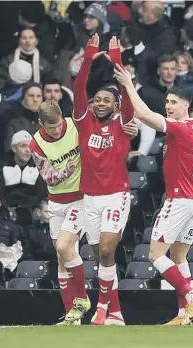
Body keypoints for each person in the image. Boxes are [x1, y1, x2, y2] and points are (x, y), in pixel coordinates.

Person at [114, 65, 193, 326]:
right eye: (167, 101)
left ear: (186, 105)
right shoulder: (192, 130)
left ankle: (190, 297)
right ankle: (183, 316)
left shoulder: (181, 128)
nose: (168, 106)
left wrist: (128, 84)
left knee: (155, 255)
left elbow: (144, 115)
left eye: (174, 102)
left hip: (179, 200)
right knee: (179, 257)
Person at [73, 34, 134, 326]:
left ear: (116, 105)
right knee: (101, 257)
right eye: (97, 99)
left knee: (108, 250)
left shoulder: (124, 124)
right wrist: (89, 58)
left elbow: (128, 93)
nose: (99, 103)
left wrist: (117, 60)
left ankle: (101, 308)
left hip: (115, 195)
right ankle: (117, 312)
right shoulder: (84, 121)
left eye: (106, 100)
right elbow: (77, 90)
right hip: (90, 198)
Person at [30, 100, 88, 325]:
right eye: (49, 127)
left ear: (63, 117)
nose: (55, 131)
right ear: (40, 124)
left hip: (80, 199)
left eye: (57, 125)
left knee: (65, 246)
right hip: (56, 202)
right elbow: (48, 176)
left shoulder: (75, 125)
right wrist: (66, 170)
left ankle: (82, 299)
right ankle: (71, 317)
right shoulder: (36, 143)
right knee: (61, 256)